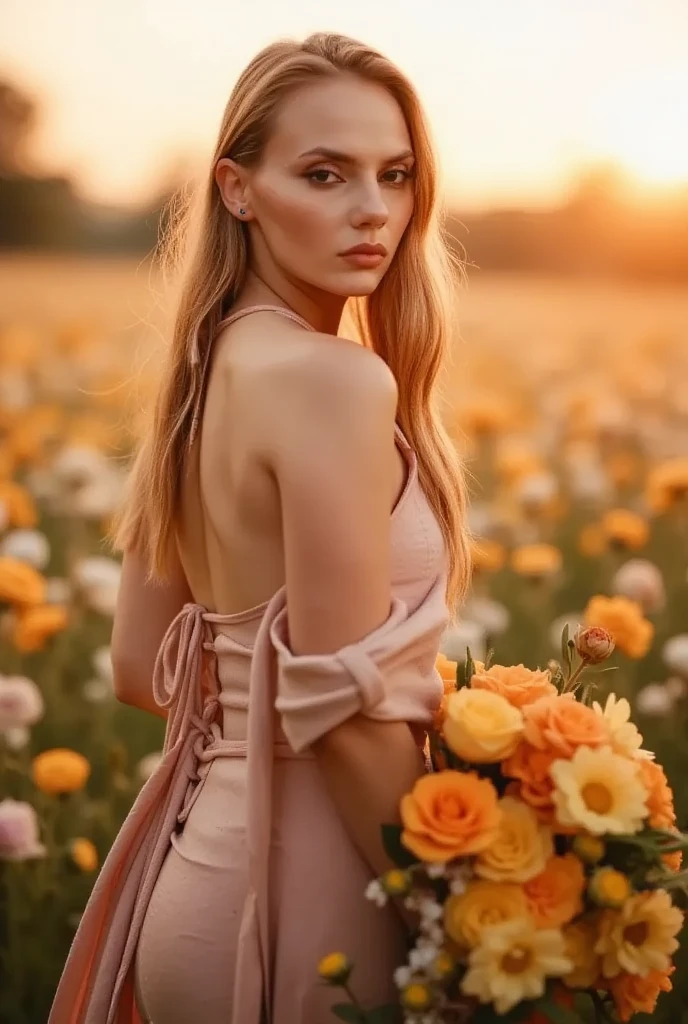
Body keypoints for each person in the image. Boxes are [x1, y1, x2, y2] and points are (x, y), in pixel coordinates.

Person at [49, 31, 473, 1024]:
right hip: (316, 914)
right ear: (237, 189)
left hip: (197, 881)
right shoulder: (332, 379)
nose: (372, 208)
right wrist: (470, 910)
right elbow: (335, 700)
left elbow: (138, 661)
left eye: (395, 173)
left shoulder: (204, 374)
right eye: (323, 174)